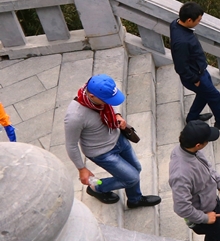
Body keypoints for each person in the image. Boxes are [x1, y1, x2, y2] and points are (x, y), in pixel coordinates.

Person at [65, 74, 160, 208]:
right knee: (131, 177)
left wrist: (117, 115)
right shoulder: (75, 116)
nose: (109, 102)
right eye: (106, 100)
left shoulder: (98, 96)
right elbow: (71, 145)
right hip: (102, 152)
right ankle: (96, 188)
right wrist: (82, 168)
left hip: (118, 138)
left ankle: (135, 200)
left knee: (136, 169)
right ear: (92, 96)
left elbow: (110, 106)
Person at [170, 2, 220, 135]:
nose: (199, 22)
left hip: (199, 70)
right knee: (216, 98)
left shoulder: (175, 24)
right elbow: (180, 66)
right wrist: (194, 79)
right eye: (198, 20)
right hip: (195, 76)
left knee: (204, 95)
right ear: (189, 20)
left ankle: (192, 118)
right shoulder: (182, 42)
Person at [170, 121, 220, 241]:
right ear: (198, 145)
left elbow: (207, 167)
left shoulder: (189, 150)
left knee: (214, 235)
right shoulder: (181, 175)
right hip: (204, 215)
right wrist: (205, 218)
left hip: (212, 204)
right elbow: (181, 208)